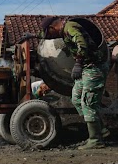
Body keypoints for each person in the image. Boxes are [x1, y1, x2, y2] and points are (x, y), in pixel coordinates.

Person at [38, 16, 108, 149]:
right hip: (85, 68)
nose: (51, 38)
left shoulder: (70, 27)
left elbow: (82, 44)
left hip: (93, 67)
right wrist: (32, 36)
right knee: (76, 98)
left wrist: (78, 63)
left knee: (88, 101)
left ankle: (96, 139)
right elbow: (43, 34)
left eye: (50, 34)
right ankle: (101, 130)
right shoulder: (62, 30)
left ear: (53, 28)